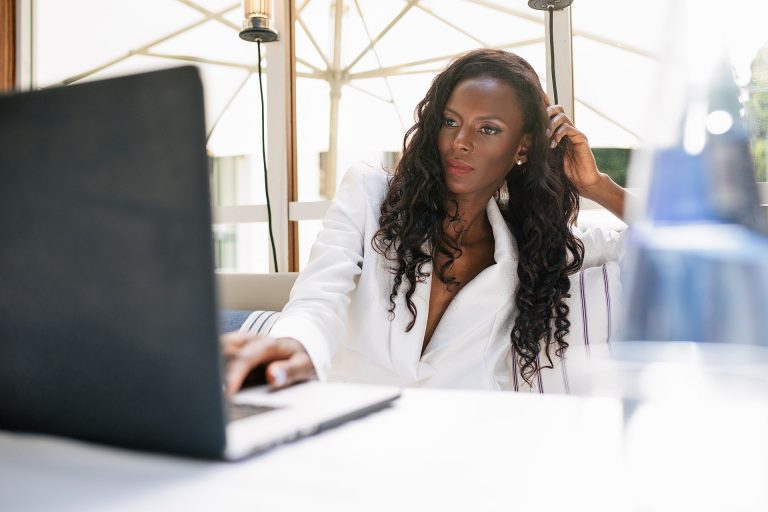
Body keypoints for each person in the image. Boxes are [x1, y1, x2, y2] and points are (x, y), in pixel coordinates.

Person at [222, 48, 625, 394]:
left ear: (522, 147)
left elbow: (669, 240)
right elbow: (317, 296)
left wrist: (597, 185)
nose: (461, 141)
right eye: (450, 121)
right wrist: (296, 345)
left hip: (458, 446)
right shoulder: (370, 195)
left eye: (488, 129)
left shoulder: (533, 243)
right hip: (349, 431)